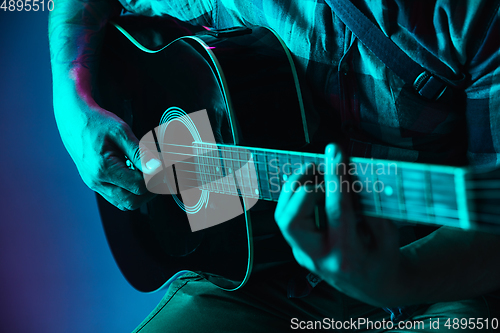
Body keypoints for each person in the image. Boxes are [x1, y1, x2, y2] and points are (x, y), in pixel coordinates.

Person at [49, 0, 500, 331]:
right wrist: (73, 100)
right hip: (259, 269)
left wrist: (399, 276)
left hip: (437, 275)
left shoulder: (472, 14)